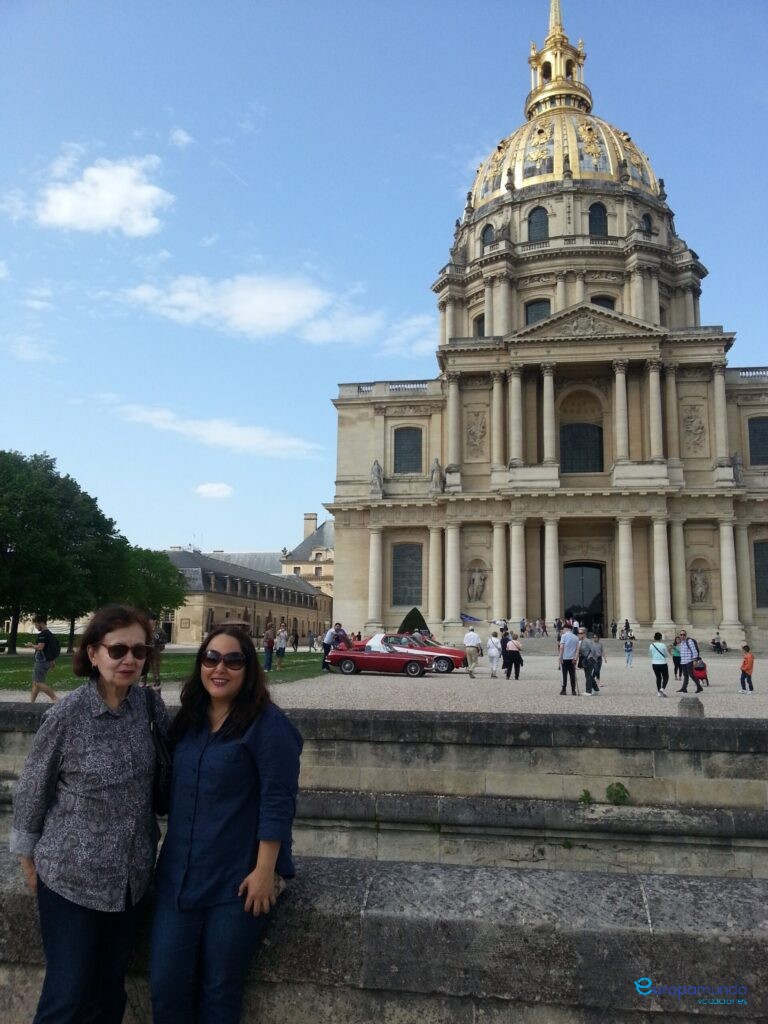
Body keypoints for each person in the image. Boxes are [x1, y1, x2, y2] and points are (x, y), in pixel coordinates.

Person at [11, 604, 165, 1023]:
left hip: (129, 878)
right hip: (70, 878)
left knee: (108, 993)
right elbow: (32, 788)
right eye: (118, 650)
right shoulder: (68, 713)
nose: (130, 659)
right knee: (67, 995)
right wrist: (28, 861)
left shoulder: (149, 709)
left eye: (139, 650)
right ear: (93, 654)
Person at [150, 625, 302, 1024]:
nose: (221, 668)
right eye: (211, 658)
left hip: (237, 881)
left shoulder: (269, 725)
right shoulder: (188, 721)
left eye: (233, 660)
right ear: (200, 664)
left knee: (220, 991)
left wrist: (265, 870)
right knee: (166, 988)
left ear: (249, 668)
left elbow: (278, 800)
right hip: (178, 877)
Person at [27, 617, 59, 704]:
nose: (36, 627)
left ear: (40, 623)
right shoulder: (50, 634)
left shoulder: (42, 634)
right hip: (47, 661)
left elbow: (40, 647)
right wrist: (52, 660)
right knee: (35, 683)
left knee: (38, 683)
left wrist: (31, 645)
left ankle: (56, 699)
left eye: (36, 625)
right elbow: (50, 648)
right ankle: (31, 703)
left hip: (41, 661)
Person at [140, 615, 167, 690]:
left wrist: (157, 650)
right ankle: (142, 682)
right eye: (148, 620)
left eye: (151, 620)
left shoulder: (160, 631)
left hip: (155, 652)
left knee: (155, 668)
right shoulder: (144, 630)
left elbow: (163, 644)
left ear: (155, 621)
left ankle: (156, 682)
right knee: (144, 666)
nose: (149, 622)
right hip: (145, 652)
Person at [558, 626, 580, 695]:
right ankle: (573, 690)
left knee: (564, 675)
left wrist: (560, 657)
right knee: (572, 675)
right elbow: (577, 650)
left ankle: (564, 690)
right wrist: (575, 658)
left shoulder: (563, 636)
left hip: (565, 658)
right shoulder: (576, 637)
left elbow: (561, 647)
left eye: (563, 629)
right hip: (572, 659)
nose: (563, 630)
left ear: (566, 629)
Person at [578, 630, 600, 695]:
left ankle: (588, 691)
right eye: (578, 633)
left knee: (588, 675)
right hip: (585, 659)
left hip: (589, 659)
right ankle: (596, 689)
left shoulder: (587, 641)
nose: (579, 634)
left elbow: (593, 650)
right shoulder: (582, 641)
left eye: (581, 633)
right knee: (588, 675)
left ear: (584, 634)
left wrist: (590, 658)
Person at [649, 632, 670, 697]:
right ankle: (662, 689)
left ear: (654, 638)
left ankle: (659, 692)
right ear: (661, 638)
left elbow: (650, 655)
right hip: (662, 663)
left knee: (658, 678)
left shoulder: (651, 645)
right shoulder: (663, 645)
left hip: (654, 663)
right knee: (666, 677)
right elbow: (666, 655)